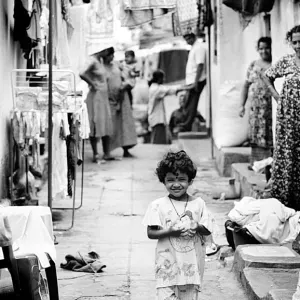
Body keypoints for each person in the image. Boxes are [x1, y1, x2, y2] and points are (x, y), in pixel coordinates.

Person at [142, 150, 212, 300]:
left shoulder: (198, 204)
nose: (176, 184)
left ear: (190, 181)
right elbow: (151, 233)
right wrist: (170, 231)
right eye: (170, 180)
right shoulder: (157, 206)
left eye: (181, 179)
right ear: (163, 180)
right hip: (166, 266)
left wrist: (196, 225)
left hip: (191, 268)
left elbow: (207, 230)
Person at [263, 25, 300, 210]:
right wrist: (277, 97)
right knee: (288, 151)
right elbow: (267, 76)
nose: (298, 45)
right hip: (288, 117)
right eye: (295, 42)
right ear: (290, 42)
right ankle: (287, 198)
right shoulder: (286, 61)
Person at [239, 37, 273, 168]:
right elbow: (246, 85)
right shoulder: (253, 65)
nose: (264, 51)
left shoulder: (273, 64)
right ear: (257, 49)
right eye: (261, 48)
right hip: (256, 109)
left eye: (266, 48)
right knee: (255, 134)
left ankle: (267, 164)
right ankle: (255, 163)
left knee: (268, 134)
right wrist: (241, 105)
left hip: (269, 107)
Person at [101, 47, 137, 158]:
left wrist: (126, 85)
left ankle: (126, 150)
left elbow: (128, 76)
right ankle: (107, 152)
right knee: (109, 125)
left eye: (112, 55)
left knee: (125, 123)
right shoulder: (101, 67)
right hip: (108, 99)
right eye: (108, 55)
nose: (111, 57)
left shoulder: (117, 64)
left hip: (122, 96)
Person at [79, 50, 114, 162]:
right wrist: (92, 83)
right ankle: (96, 154)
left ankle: (106, 153)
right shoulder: (92, 60)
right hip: (96, 97)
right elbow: (82, 73)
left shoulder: (101, 61)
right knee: (95, 123)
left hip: (103, 96)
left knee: (106, 123)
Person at [178, 30, 207, 132]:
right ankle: (186, 124)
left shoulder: (199, 48)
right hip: (192, 81)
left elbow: (200, 65)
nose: (187, 41)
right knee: (188, 103)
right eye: (186, 39)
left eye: (189, 38)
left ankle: (186, 126)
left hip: (197, 80)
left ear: (193, 37)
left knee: (191, 104)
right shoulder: (194, 47)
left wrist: (195, 82)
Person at [148, 69, 180, 144]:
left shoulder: (156, 87)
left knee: (161, 141)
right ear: (159, 79)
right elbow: (168, 90)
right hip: (157, 120)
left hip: (158, 119)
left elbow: (167, 89)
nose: (164, 80)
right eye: (163, 78)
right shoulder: (156, 89)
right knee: (158, 143)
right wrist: (185, 87)